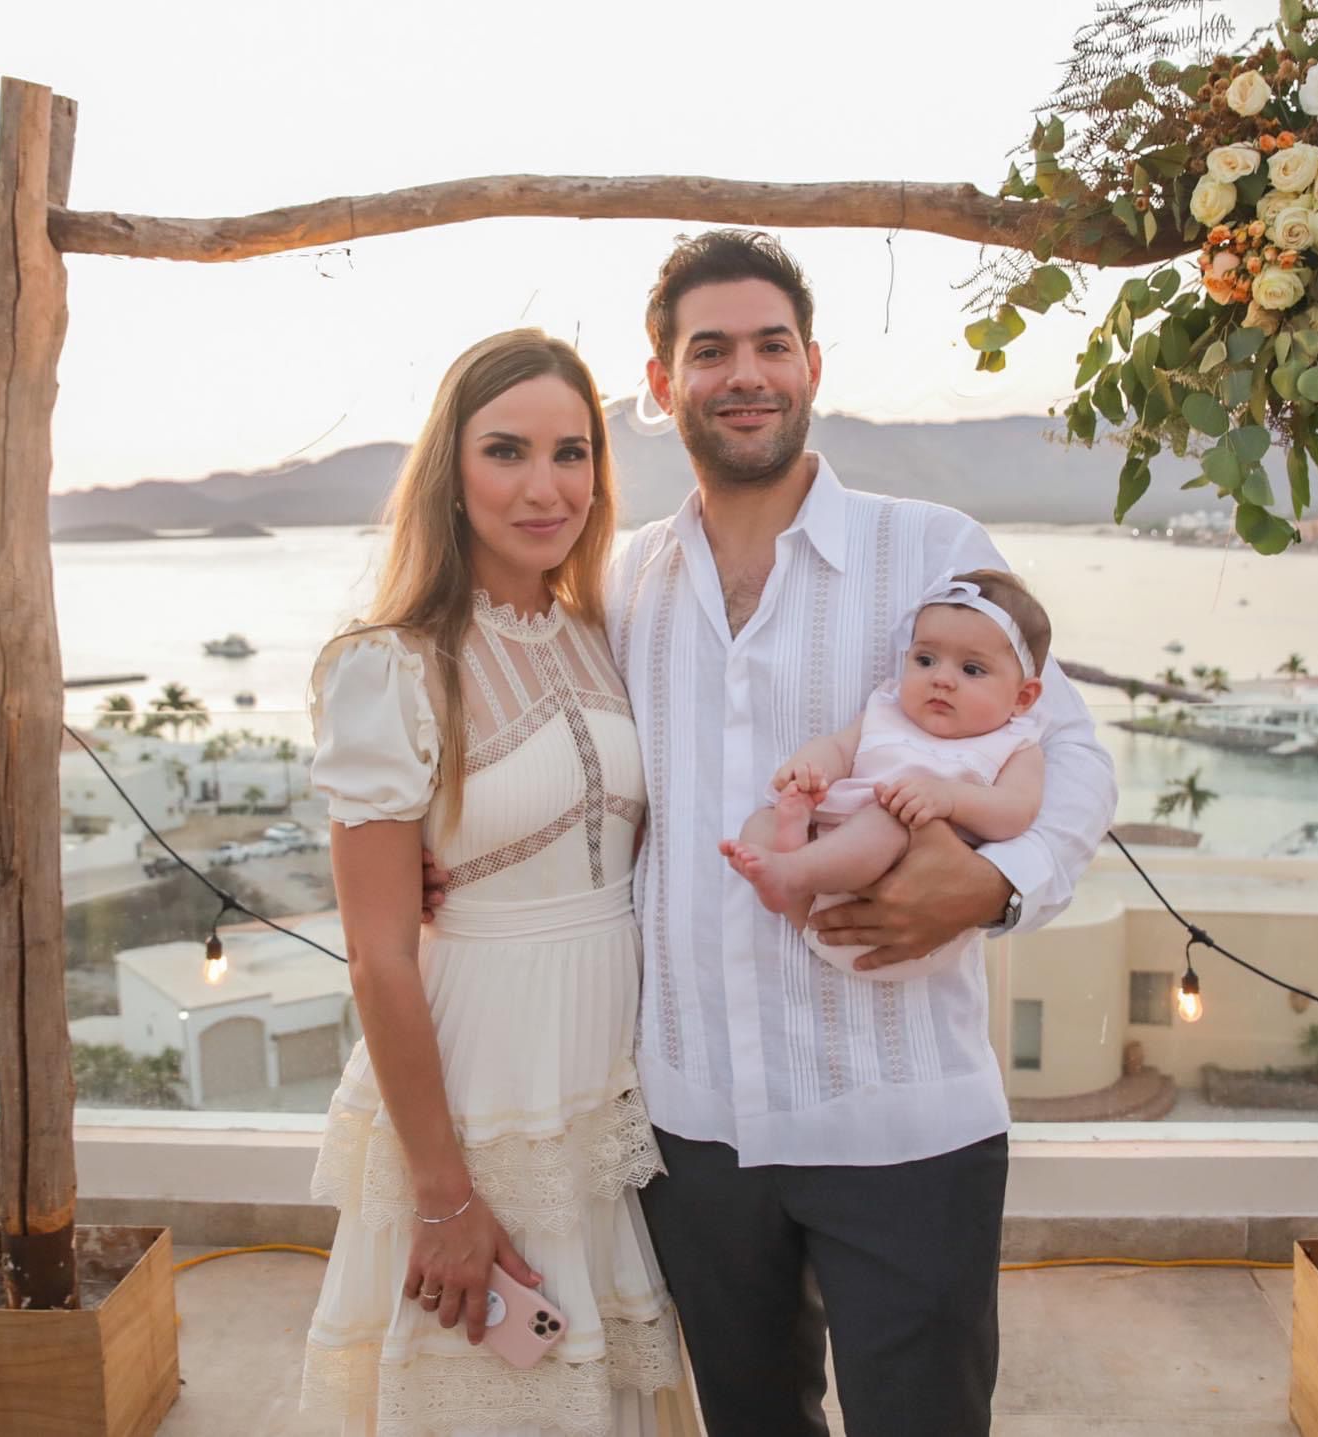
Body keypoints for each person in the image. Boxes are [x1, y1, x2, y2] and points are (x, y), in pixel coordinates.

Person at [605, 230, 1118, 1437]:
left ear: (814, 364)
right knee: (748, 1422)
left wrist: (996, 891)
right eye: (711, 349)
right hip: (691, 1123)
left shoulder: (929, 549)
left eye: (771, 345)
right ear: (663, 375)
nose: (746, 374)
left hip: (900, 1118)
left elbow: (1075, 754)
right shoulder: (623, 581)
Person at [300, 330, 696, 1437]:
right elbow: (379, 958)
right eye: (507, 451)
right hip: (480, 1096)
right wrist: (447, 1192)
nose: (545, 486)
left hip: (598, 1095)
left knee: (591, 1387)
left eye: (572, 454)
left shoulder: (600, 636)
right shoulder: (392, 666)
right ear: (451, 471)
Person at [721, 567, 1049, 980]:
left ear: (1023, 696)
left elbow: (1017, 810)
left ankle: (793, 872)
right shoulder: (888, 709)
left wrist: (948, 798)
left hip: (914, 902)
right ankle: (791, 873)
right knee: (763, 819)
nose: (942, 679)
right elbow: (840, 747)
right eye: (925, 660)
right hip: (832, 891)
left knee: (889, 813)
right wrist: (810, 771)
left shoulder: (1015, 745)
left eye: (972, 670)